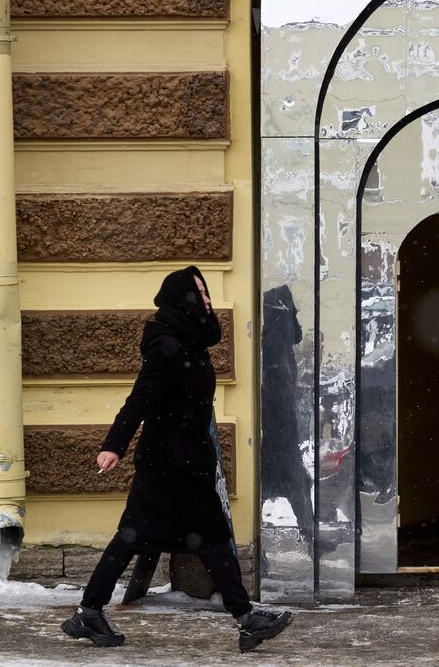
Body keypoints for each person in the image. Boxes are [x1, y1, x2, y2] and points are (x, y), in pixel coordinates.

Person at [61, 266, 293, 653]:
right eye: (199, 293)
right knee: (210, 535)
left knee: (133, 536)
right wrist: (113, 444)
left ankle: (89, 611)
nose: (206, 300)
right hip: (172, 464)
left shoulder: (190, 342)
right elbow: (141, 398)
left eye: (206, 294)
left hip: (179, 459)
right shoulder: (168, 344)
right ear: (180, 299)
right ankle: (246, 619)